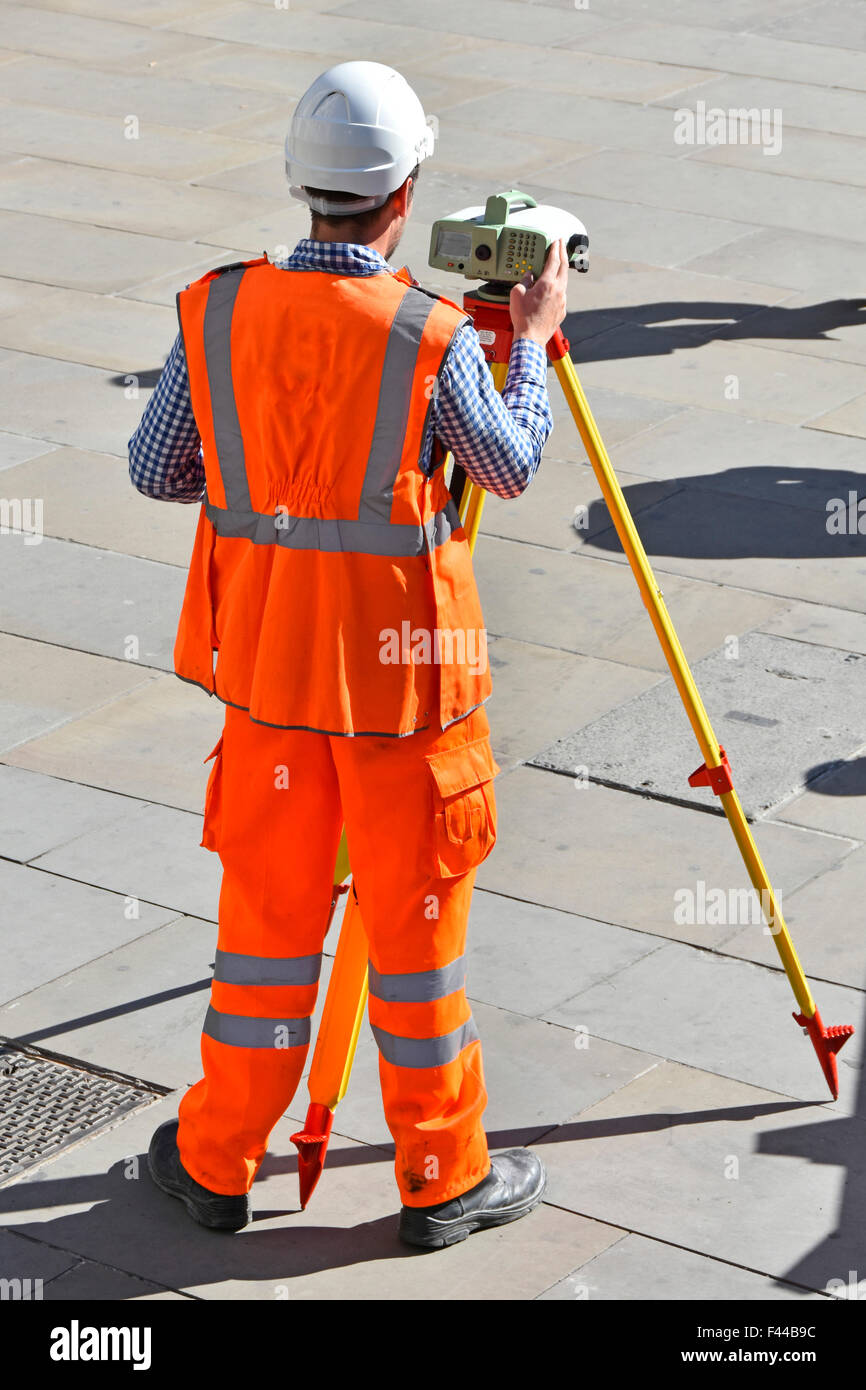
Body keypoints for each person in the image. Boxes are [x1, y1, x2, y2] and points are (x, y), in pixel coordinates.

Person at [129, 60, 568, 1250]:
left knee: (264, 937)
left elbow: (157, 468)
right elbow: (508, 465)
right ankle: (440, 1175)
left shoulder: (215, 308)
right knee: (417, 950)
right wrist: (528, 339)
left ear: (300, 184)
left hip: (271, 686)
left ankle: (216, 1161)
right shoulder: (433, 334)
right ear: (404, 190)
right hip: (404, 702)